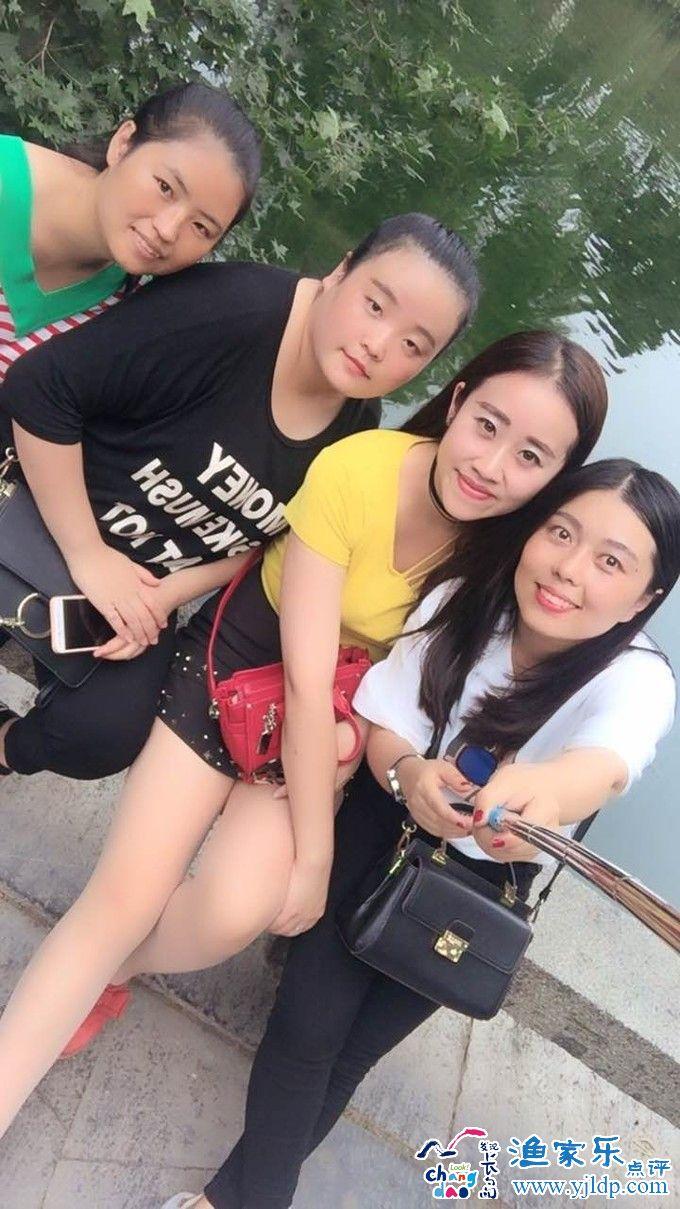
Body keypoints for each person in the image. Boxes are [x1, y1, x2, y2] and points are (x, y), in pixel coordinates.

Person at [0, 327, 610, 1139]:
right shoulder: (359, 470)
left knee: (232, 911)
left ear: (557, 479)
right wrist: (316, 859)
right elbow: (300, 669)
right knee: (123, 897)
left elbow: (591, 657)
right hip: (238, 669)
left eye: (531, 457)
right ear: (458, 400)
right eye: (487, 425)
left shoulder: (511, 560)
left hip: (331, 728)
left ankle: (112, 969)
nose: (492, 466)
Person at [182, 456, 679, 1209]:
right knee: (306, 1029)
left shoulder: (637, 678)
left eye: (611, 562)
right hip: (384, 822)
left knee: (352, 1052)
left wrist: (542, 794)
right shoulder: (461, 600)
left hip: (483, 881)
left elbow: (605, 765)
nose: (569, 569)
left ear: (644, 597)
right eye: (561, 533)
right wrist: (410, 774)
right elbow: (386, 724)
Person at [0, 213, 478, 781]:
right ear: (342, 269)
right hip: (41, 502)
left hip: (139, 580)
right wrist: (88, 554)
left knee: (103, 730)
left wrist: (163, 596)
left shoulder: (356, 434)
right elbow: (41, 389)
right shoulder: (231, 311)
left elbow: (269, 541)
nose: (378, 346)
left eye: (412, 345)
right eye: (375, 305)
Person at [0, 79, 261, 383]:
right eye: (165, 187)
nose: (168, 230)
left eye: (201, 227)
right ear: (123, 144)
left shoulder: (120, 314)